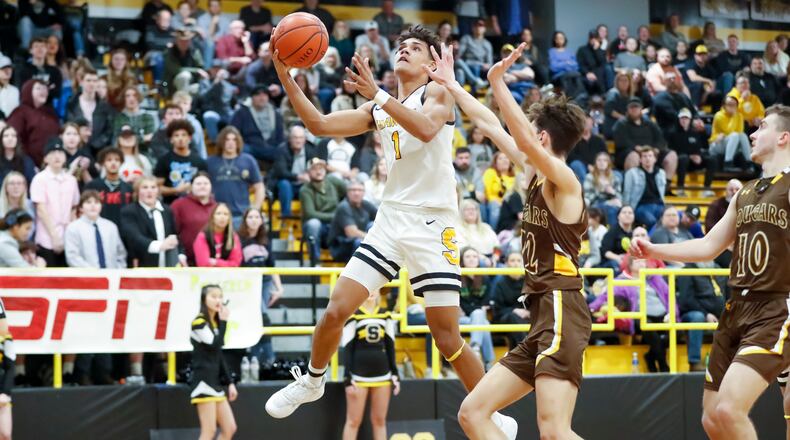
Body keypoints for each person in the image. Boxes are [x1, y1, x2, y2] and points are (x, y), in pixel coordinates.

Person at [264, 26, 518, 437]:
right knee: (334, 311)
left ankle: (490, 409)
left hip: (434, 223)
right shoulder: (379, 108)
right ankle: (312, 380)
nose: (404, 50)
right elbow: (318, 124)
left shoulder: (439, 93)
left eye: (415, 48)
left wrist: (377, 95)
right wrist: (285, 74)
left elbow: (424, 129)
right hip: (392, 217)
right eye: (401, 45)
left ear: (432, 63)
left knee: (447, 336)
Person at [430, 41, 589, 439]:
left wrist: (498, 83)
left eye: (530, 135)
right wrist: (452, 85)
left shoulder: (565, 182)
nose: (521, 141)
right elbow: (487, 123)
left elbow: (521, 137)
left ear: (541, 137)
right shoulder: (533, 173)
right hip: (540, 314)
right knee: (473, 412)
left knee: (554, 431)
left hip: (561, 305)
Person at [630, 104, 790, 440]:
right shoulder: (745, 193)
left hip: (774, 307)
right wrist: (655, 249)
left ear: (783, 137)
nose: (753, 133)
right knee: (711, 420)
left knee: (729, 411)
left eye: (761, 126)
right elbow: (708, 246)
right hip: (735, 309)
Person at [341, 288, 399, 440]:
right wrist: (347, 377)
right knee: (353, 421)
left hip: (383, 375)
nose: (372, 291)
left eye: (375, 287)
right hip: (358, 376)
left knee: (379, 421)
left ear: (380, 291)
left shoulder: (386, 315)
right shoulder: (353, 316)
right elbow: (347, 348)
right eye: (369, 287)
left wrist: (395, 373)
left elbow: (390, 346)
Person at [190, 284, 238, 440]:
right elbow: (215, 345)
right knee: (208, 431)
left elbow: (219, 355)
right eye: (213, 296)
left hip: (215, 382)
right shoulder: (199, 322)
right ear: (204, 299)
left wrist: (230, 382)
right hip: (203, 381)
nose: (218, 300)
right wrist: (224, 321)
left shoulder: (215, 323)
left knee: (229, 428)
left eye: (220, 296)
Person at [238, 208, 282, 366]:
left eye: (257, 217)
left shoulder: (265, 239)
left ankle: (255, 358)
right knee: (262, 317)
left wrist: (279, 287)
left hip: (265, 282)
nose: (254, 220)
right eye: (250, 217)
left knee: (259, 318)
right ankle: (270, 358)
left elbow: (272, 265)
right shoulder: (238, 239)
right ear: (245, 220)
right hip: (248, 283)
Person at [30, 143, 80, 267]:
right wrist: (54, 236)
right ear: (46, 158)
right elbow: (41, 209)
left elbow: (74, 208)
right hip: (46, 238)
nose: (57, 157)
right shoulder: (39, 179)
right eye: (52, 153)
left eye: (60, 153)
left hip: (68, 237)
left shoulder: (71, 180)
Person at [207, 126, 264, 227]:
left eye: (234, 139)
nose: (230, 143)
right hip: (217, 214)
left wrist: (255, 209)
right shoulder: (211, 162)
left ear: (238, 142)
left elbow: (259, 187)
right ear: (221, 142)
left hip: (241, 215)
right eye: (227, 139)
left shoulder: (248, 160)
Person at [677, 260, 726, 372]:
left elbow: (727, 295)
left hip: (718, 313)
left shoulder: (719, 269)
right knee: (697, 318)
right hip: (691, 313)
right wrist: (706, 314)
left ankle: (729, 361)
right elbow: (686, 301)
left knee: (735, 317)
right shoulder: (687, 271)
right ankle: (694, 362)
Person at [299, 157, 345, 263]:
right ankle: (315, 262)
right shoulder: (305, 190)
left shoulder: (333, 181)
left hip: (335, 225)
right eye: (314, 169)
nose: (318, 171)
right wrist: (336, 217)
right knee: (313, 224)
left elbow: (350, 192)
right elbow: (310, 214)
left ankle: (347, 261)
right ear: (309, 172)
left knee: (349, 221)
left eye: (321, 168)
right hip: (319, 226)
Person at [458, 246, 496, 371]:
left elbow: (486, 302)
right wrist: (475, 309)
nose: (472, 259)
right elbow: (459, 305)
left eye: (474, 256)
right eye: (468, 257)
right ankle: (489, 362)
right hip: (462, 319)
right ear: (462, 260)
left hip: (476, 318)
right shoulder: (457, 278)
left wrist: (474, 310)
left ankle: (475, 347)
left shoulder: (485, 277)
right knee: (482, 321)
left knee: (480, 316)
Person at [153, 119, 208, 204]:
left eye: (184, 135)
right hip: (171, 206)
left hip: (194, 206)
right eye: (176, 135)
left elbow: (206, 187)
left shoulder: (199, 161)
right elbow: (157, 188)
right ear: (171, 139)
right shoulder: (164, 160)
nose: (180, 138)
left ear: (190, 138)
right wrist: (176, 190)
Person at [7, 79, 60, 166]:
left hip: (51, 163)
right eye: (38, 88)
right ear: (28, 91)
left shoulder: (51, 113)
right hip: (26, 163)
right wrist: (27, 162)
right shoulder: (20, 112)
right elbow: (14, 137)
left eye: (45, 88)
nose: (43, 91)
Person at [229, 84, 284, 165]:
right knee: (243, 149)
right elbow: (233, 131)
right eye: (258, 95)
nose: (262, 98)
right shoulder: (242, 112)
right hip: (251, 147)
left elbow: (280, 134)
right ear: (252, 97)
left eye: (265, 95)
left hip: (271, 147)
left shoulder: (275, 113)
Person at [171, 172, 216, 265]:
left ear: (211, 186)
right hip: (185, 259)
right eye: (198, 184)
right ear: (191, 187)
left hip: (212, 260)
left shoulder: (217, 207)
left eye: (205, 183)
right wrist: (179, 254)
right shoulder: (179, 205)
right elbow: (172, 231)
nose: (202, 186)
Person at [84, 147, 134, 229]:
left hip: (124, 232)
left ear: (121, 163)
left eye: (117, 160)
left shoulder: (129, 188)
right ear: (103, 163)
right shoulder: (92, 186)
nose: (113, 163)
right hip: (97, 229)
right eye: (109, 160)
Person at [328, 180, 376, 263]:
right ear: (348, 193)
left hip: (358, 243)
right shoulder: (343, 207)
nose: (356, 193)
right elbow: (351, 233)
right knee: (360, 242)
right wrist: (375, 240)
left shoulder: (366, 205)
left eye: (359, 190)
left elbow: (382, 219)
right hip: (340, 247)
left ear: (364, 193)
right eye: (353, 190)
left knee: (372, 225)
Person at [491, 251, 528, 348]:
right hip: (504, 317)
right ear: (507, 263)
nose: (516, 263)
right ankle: (525, 350)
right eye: (512, 260)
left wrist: (529, 312)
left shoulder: (528, 281)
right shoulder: (500, 282)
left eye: (519, 260)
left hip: (526, 317)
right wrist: (514, 310)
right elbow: (497, 309)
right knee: (513, 317)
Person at [624, 146, 666, 229]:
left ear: (655, 159)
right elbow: (626, 193)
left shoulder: (661, 173)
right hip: (640, 206)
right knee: (652, 221)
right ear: (640, 160)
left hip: (659, 205)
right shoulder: (631, 173)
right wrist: (627, 210)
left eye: (650, 156)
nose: (647, 159)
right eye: (644, 156)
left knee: (672, 218)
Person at [710, 95, 753, 173]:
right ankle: (728, 163)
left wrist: (735, 115)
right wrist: (733, 116)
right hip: (717, 144)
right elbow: (728, 131)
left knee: (742, 135)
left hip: (731, 143)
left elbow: (739, 131)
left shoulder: (739, 116)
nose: (732, 107)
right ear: (724, 106)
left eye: (734, 105)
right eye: (729, 104)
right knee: (734, 135)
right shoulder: (718, 115)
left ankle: (749, 163)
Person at [193, 203, 242, 268]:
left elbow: (235, 263)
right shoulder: (202, 236)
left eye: (226, 214)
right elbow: (203, 264)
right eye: (218, 213)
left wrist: (216, 262)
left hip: (228, 276)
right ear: (212, 217)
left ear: (229, 218)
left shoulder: (233, 237)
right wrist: (226, 264)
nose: (222, 217)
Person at [583, 151, 623, 226]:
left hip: (611, 202)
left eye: (605, 160)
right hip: (595, 203)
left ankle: (612, 233)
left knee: (614, 209)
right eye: (599, 160)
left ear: (608, 163)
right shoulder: (589, 177)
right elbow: (587, 196)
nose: (602, 163)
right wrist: (601, 190)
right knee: (607, 210)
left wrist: (613, 192)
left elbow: (620, 197)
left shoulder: (615, 178)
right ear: (595, 163)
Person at [456, 199, 499, 266]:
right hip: (472, 260)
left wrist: (495, 258)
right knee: (482, 264)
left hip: (492, 259)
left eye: (473, 209)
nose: (471, 211)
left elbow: (497, 246)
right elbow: (464, 248)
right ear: (461, 212)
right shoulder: (458, 228)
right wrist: (484, 259)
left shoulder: (486, 227)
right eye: (467, 209)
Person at [568, 115, 607, 182]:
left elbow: (605, 155)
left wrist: (597, 166)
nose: (587, 126)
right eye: (585, 124)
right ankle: (585, 190)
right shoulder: (573, 139)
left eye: (589, 124)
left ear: (592, 125)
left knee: (617, 174)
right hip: (581, 167)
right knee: (576, 164)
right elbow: (571, 156)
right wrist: (587, 165)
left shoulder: (599, 140)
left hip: (598, 166)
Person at [482, 151, 515, 229]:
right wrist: (500, 203)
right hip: (494, 203)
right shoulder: (490, 172)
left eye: (506, 158)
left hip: (510, 205)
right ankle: (493, 234)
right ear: (495, 163)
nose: (504, 160)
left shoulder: (515, 177)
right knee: (495, 207)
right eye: (500, 158)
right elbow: (488, 192)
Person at [600, 205, 635, 272]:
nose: (627, 215)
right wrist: (618, 258)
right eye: (624, 212)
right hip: (613, 263)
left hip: (631, 261)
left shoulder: (636, 232)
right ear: (618, 216)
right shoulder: (612, 232)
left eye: (630, 213)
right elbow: (605, 252)